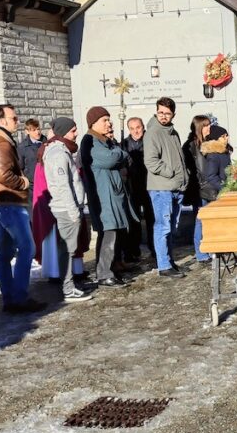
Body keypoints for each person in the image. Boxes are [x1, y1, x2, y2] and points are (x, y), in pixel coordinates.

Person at [0, 104, 44, 313]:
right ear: (1, 121)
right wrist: (23, 183)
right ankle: (19, 298)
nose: (17, 121)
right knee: (27, 248)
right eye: (14, 118)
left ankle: (10, 298)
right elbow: (3, 175)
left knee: (6, 252)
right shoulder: (1, 144)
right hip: (9, 203)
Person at [81, 106, 144, 286]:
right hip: (104, 195)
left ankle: (113, 267)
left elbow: (117, 157)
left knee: (115, 233)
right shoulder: (90, 141)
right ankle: (104, 274)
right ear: (94, 123)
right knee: (108, 234)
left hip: (112, 193)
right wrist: (120, 152)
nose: (109, 123)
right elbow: (110, 159)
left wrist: (116, 151)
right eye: (104, 120)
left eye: (109, 120)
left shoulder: (103, 140)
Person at [40, 117, 93, 303]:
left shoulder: (60, 150)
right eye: (73, 130)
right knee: (68, 250)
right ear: (63, 132)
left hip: (67, 207)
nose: (76, 133)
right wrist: (73, 211)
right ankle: (68, 288)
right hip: (65, 209)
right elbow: (63, 186)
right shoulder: (58, 154)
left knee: (68, 249)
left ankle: (69, 285)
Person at [144, 97, 188, 277]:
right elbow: (151, 161)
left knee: (171, 226)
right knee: (163, 226)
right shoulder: (153, 133)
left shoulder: (172, 132)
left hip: (175, 186)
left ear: (173, 115)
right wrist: (170, 173)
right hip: (162, 187)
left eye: (167, 113)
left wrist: (184, 177)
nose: (163, 116)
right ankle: (163, 265)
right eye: (160, 112)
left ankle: (170, 261)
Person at [193, 123, 232, 260]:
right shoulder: (214, 155)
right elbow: (211, 176)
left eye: (226, 135)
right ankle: (202, 253)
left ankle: (217, 249)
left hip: (221, 192)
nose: (226, 138)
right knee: (204, 222)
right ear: (216, 138)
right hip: (212, 193)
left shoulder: (224, 152)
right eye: (223, 136)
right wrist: (224, 188)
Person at [122, 117, 154, 260]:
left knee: (152, 219)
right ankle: (134, 250)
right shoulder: (124, 144)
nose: (136, 131)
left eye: (138, 127)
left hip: (149, 185)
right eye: (132, 128)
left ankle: (154, 248)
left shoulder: (149, 140)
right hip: (132, 187)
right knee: (133, 220)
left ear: (143, 127)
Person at [186, 115, 213, 262]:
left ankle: (206, 250)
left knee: (205, 220)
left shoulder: (207, 143)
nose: (209, 128)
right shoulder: (192, 146)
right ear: (199, 128)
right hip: (201, 188)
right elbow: (200, 170)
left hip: (207, 187)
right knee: (200, 220)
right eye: (206, 125)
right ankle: (201, 253)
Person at [17, 118, 45, 188]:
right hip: (32, 185)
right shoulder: (22, 147)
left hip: (47, 182)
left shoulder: (47, 143)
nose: (37, 132)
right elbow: (20, 167)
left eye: (38, 129)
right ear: (27, 131)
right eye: (34, 130)